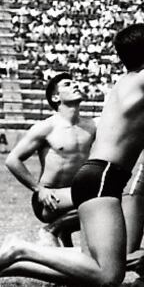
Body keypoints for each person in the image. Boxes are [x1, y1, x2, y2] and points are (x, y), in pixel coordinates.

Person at [0, 23, 144, 286]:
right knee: (108, 275)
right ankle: (21, 248)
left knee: (98, 268)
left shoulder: (131, 85)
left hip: (97, 176)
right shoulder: (140, 80)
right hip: (103, 177)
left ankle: (15, 262)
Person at [5, 73, 96, 246]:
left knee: (106, 202)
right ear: (56, 97)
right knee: (98, 198)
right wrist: (39, 189)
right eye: (68, 84)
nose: (75, 85)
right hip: (49, 199)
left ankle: (64, 237)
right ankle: (52, 229)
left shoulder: (92, 125)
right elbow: (12, 160)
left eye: (76, 82)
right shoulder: (47, 127)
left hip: (75, 195)